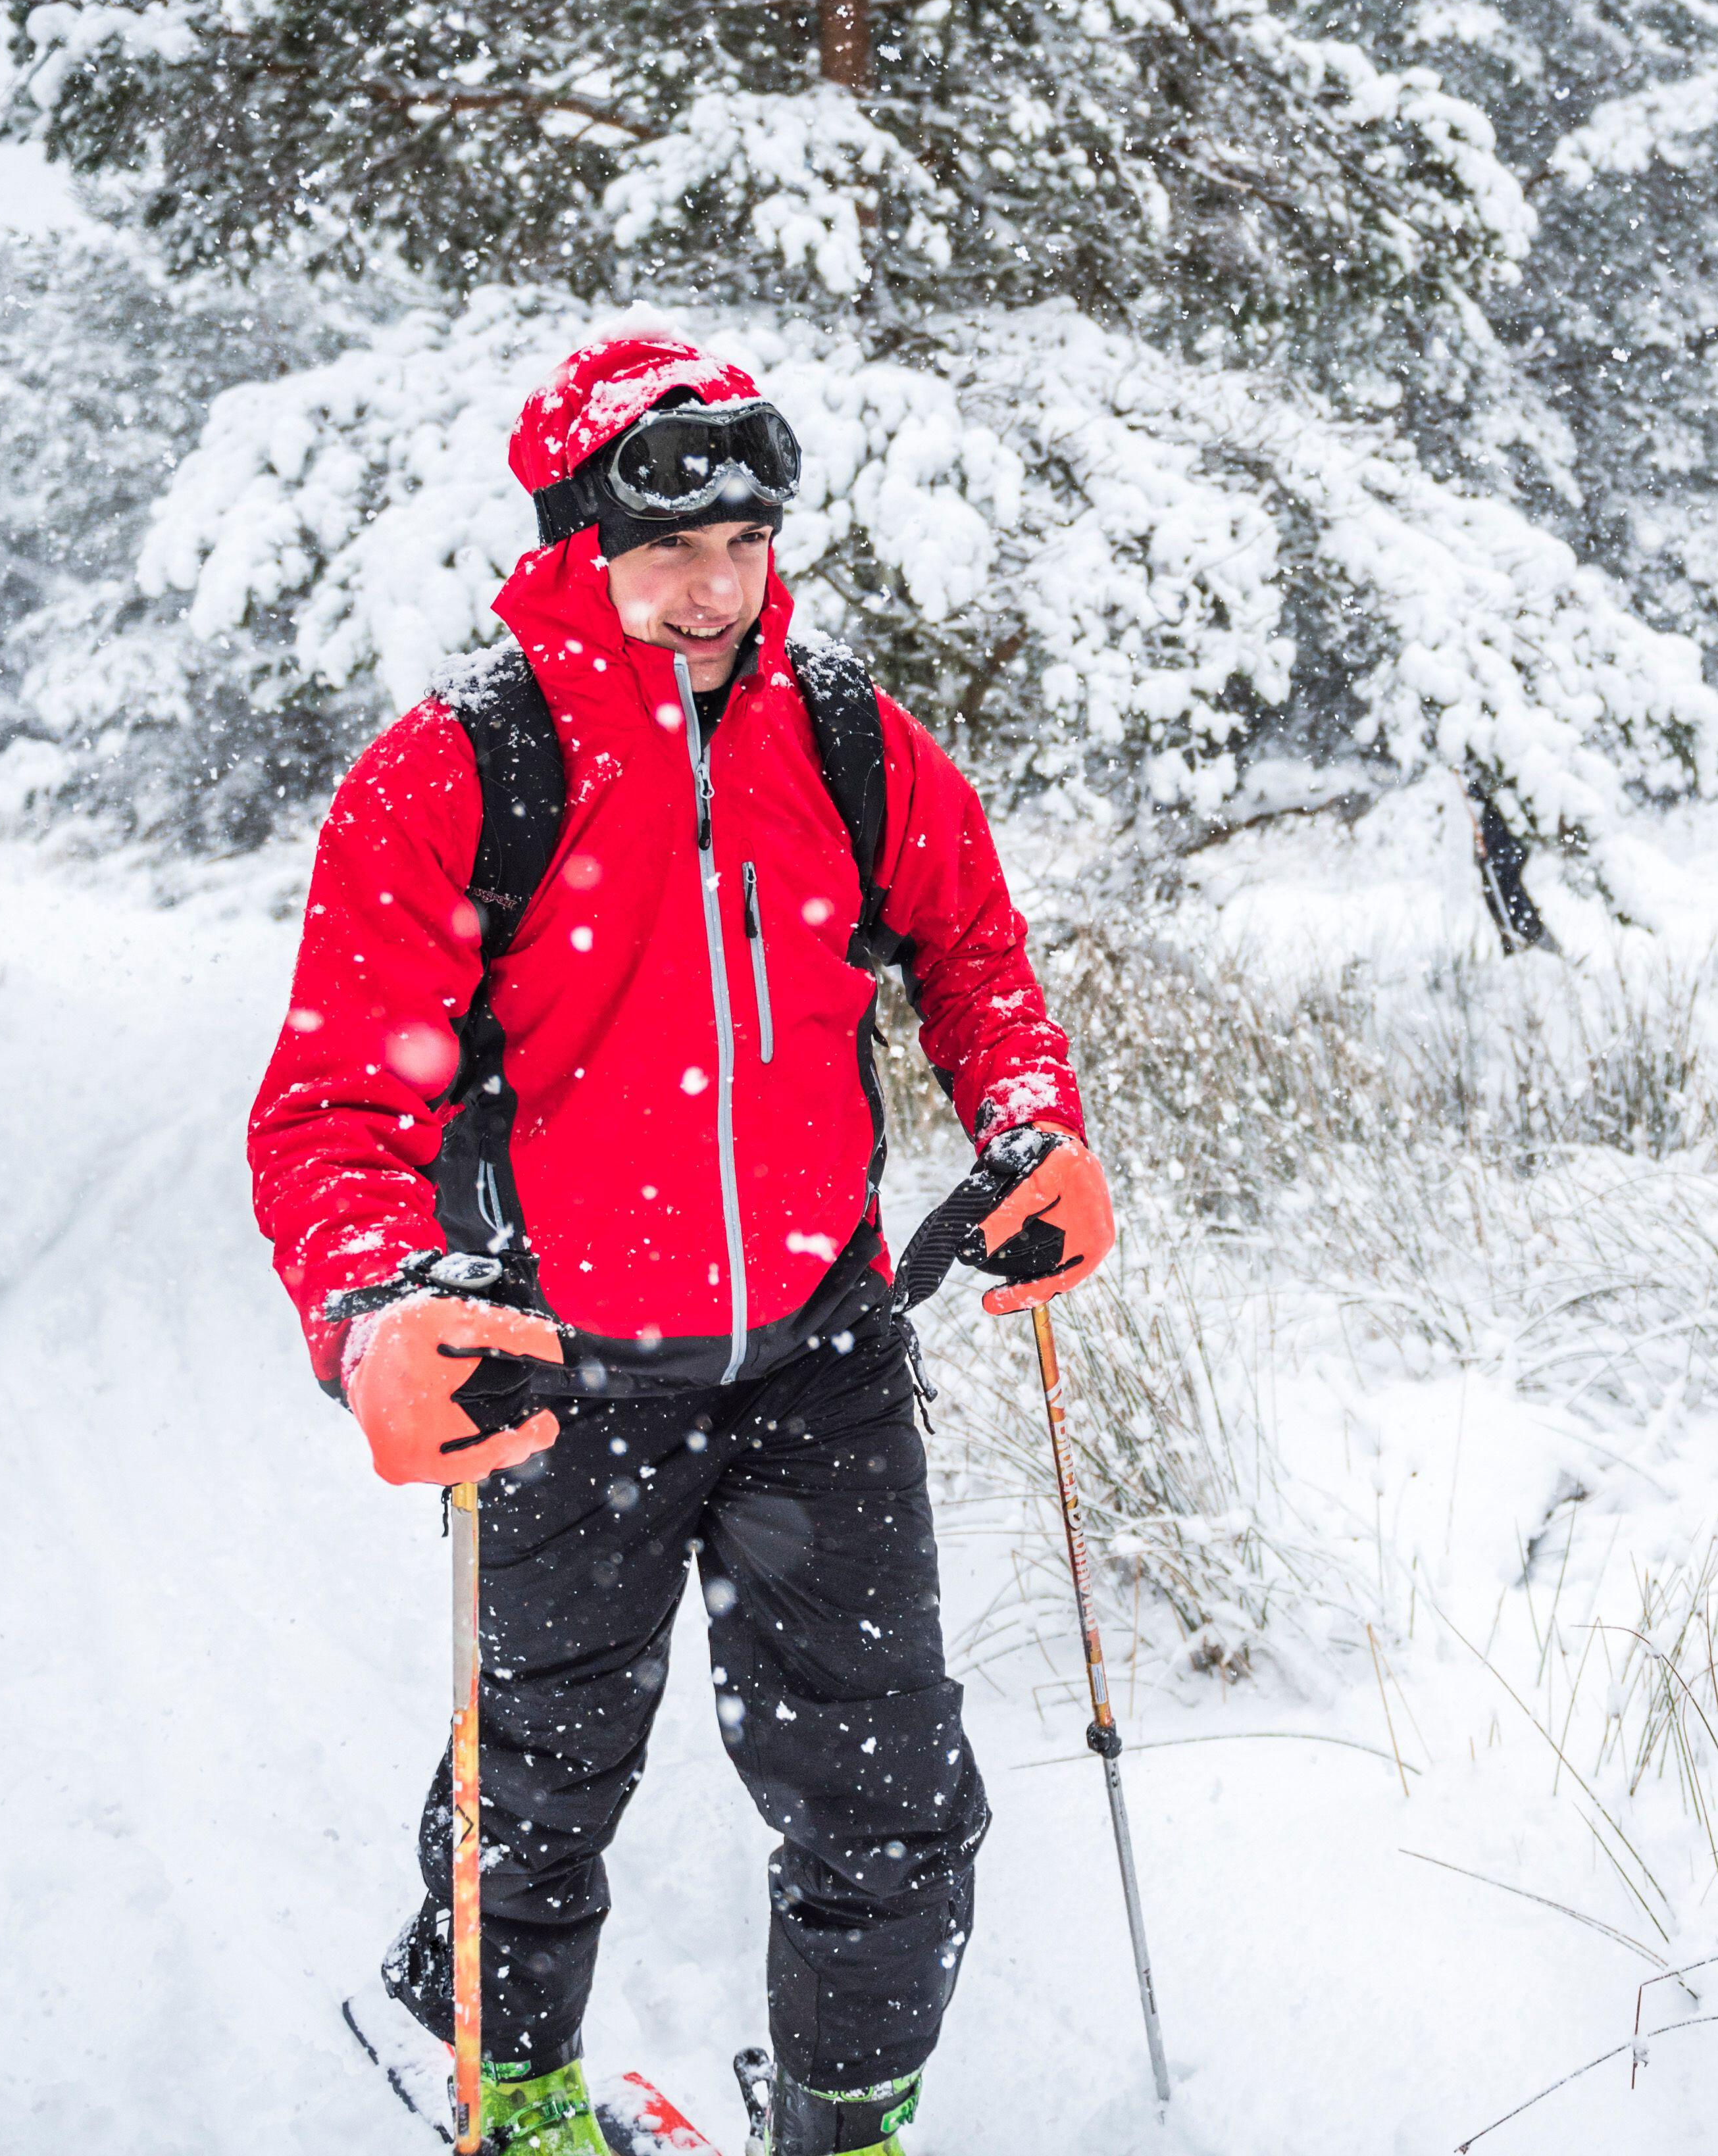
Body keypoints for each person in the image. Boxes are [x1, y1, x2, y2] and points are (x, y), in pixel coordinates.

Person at [248, 335, 1117, 2156]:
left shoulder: (849, 734)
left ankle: (849, 2120)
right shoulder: (458, 767)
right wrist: (372, 1313)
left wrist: (1032, 1125)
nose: (715, 588)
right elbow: (333, 1108)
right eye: (668, 549)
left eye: (744, 543)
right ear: (577, 546)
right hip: (554, 1375)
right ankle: (506, 2086)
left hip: (821, 1357)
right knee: (539, 1780)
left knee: (890, 1788)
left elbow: (973, 956)